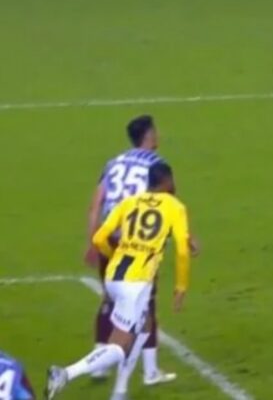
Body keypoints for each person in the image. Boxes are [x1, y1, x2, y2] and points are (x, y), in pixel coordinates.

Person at [46, 163, 192, 400]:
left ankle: (120, 391)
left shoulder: (129, 202)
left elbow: (99, 238)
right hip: (135, 284)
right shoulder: (175, 206)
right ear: (166, 181)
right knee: (119, 345)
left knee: (144, 325)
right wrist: (181, 286)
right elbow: (183, 251)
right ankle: (66, 374)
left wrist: (113, 254)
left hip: (114, 276)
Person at [83, 115, 179, 389]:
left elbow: (96, 204)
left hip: (109, 237)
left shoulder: (113, 163)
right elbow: (168, 205)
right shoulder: (157, 166)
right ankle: (150, 370)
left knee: (109, 298)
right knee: (145, 303)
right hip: (138, 241)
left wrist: (92, 242)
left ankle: (99, 364)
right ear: (149, 135)